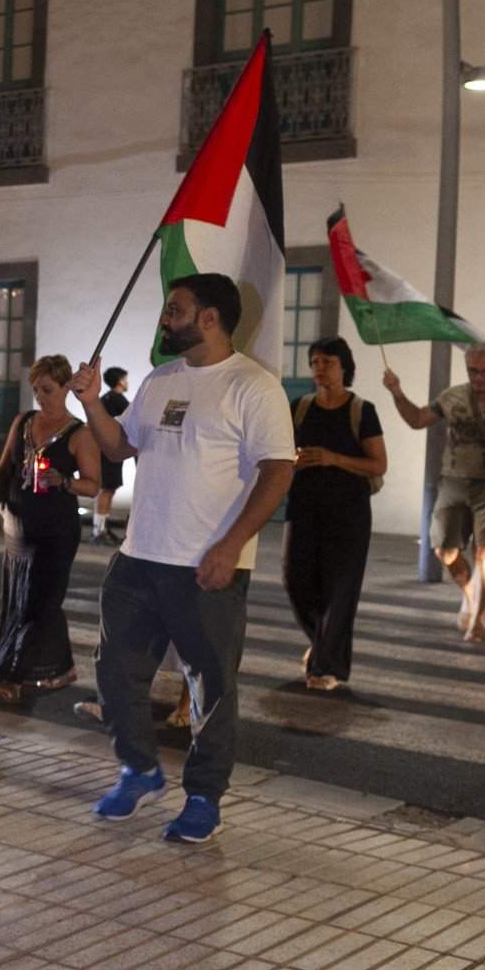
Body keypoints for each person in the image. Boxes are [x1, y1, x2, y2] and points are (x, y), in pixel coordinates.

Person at [76, 274, 294, 845]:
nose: (164, 319)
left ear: (210, 318)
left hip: (206, 565)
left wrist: (231, 545)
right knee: (114, 672)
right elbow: (120, 447)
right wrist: (90, 400)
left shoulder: (254, 386)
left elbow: (278, 471)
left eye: (174, 309)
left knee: (211, 686)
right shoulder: (160, 380)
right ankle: (139, 770)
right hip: (139, 555)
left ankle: (202, 797)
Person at [382, 343, 485, 642]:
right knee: (444, 551)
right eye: (474, 370)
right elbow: (418, 420)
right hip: (453, 481)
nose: (480, 377)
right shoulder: (453, 396)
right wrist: (397, 392)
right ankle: (471, 595)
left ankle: (479, 621)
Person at [0, 354, 101, 702]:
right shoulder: (24, 422)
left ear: (66, 387)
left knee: (39, 604)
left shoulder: (80, 434)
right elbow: (5, 469)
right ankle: (61, 668)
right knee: (22, 600)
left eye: (47, 389)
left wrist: (63, 481)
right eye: (35, 389)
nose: (40, 396)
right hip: (19, 528)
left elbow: (92, 486)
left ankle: (10, 675)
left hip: (55, 532)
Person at [284, 336, 386, 691]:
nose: (319, 367)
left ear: (345, 367)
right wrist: (293, 460)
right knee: (296, 582)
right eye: (314, 361)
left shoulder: (362, 410)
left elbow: (378, 463)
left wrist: (333, 458)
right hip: (304, 508)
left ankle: (327, 667)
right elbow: (283, 453)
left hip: (349, 513)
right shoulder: (300, 407)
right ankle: (322, 643)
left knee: (340, 589)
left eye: (327, 361)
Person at [92, 366, 130, 537]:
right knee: (107, 489)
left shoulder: (105, 399)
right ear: (119, 381)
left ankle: (101, 528)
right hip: (110, 452)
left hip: (103, 450)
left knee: (107, 489)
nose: (126, 382)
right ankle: (99, 531)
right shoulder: (118, 400)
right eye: (125, 378)